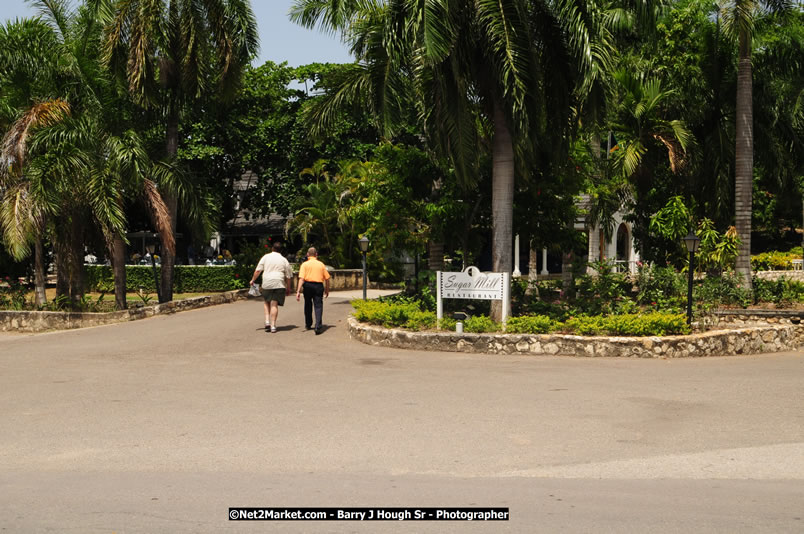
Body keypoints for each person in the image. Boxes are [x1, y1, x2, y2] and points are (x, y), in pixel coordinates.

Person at [249, 241, 293, 333]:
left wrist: (253, 280)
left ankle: (267, 321)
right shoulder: (284, 260)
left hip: (267, 282)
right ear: (281, 250)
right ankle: (273, 326)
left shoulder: (266, 257)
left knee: (266, 302)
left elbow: (258, 270)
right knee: (274, 304)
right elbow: (288, 276)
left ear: (272, 248)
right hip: (279, 283)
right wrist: (288, 288)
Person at [296, 247, 330, 335]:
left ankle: (308, 324)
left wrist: (298, 291)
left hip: (307, 286)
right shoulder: (321, 264)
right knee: (318, 306)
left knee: (308, 304)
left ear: (308, 254)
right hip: (318, 286)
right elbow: (327, 278)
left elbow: (301, 279)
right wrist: (327, 290)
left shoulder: (304, 265)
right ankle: (318, 326)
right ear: (316, 254)